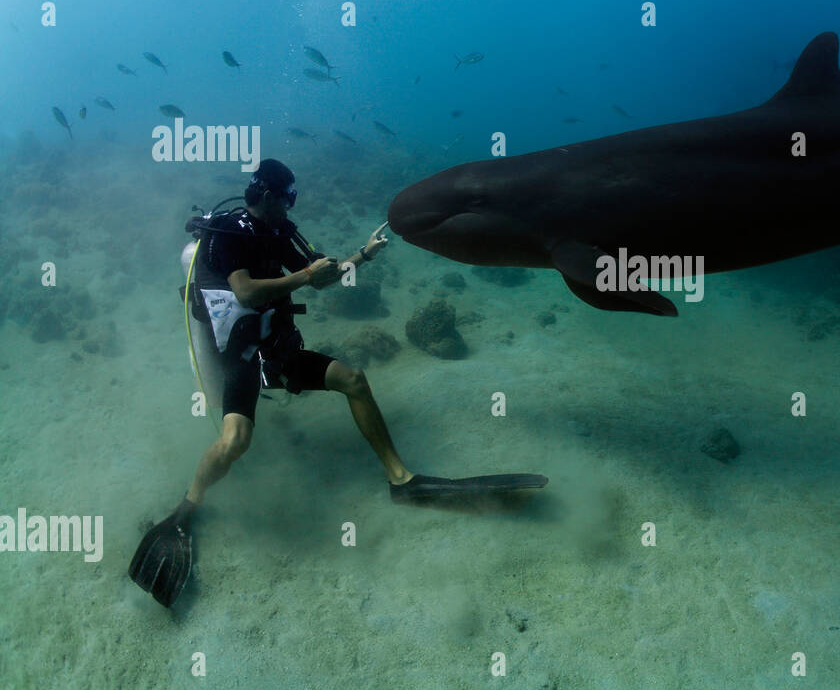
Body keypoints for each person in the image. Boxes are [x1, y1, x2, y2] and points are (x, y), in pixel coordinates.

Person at [128, 159, 546, 608]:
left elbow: (322, 277)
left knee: (354, 379)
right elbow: (246, 292)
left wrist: (362, 255)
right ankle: (184, 511)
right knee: (236, 441)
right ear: (267, 195)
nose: (291, 207)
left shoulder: (280, 231)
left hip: (277, 347)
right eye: (288, 197)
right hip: (241, 354)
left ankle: (401, 481)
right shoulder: (229, 234)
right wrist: (305, 277)